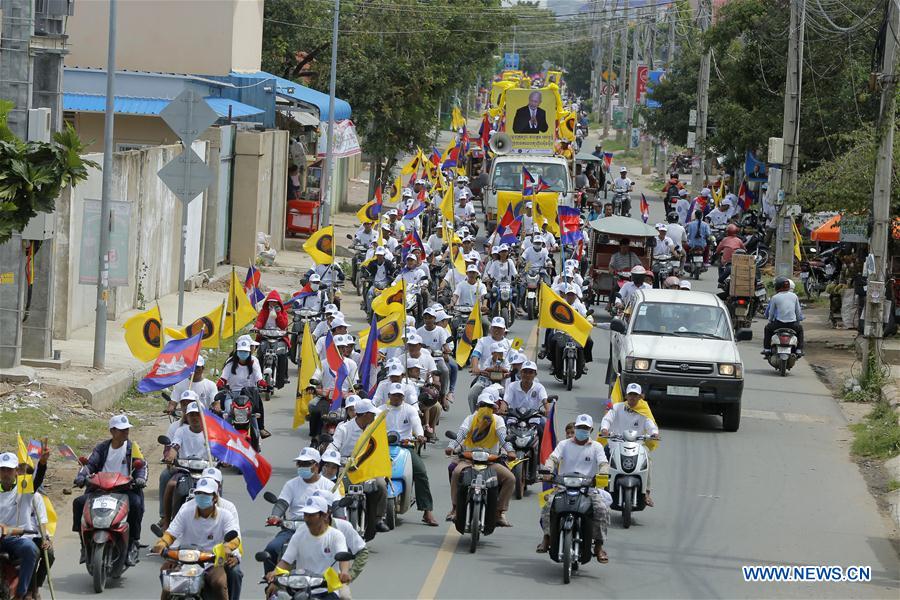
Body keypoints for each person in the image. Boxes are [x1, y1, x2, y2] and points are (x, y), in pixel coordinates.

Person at [72, 415, 146, 565]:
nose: (126, 432)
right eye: (122, 430)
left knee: (136, 504)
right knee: (78, 503)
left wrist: (140, 479)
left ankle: (132, 544)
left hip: (125, 490)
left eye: (127, 429)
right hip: (100, 489)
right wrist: (81, 477)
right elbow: (89, 465)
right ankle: (83, 545)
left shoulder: (133, 448)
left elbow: (142, 466)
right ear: (112, 431)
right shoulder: (101, 448)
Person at [536, 414, 610, 563]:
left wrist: (603, 473)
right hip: (563, 487)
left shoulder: (596, 446)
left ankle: (598, 546)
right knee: (548, 505)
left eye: (585, 428)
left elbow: (603, 463)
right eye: (579, 427)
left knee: (602, 509)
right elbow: (552, 459)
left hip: (587, 490)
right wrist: (548, 471)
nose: (582, 430)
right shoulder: (564, 444)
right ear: (575, 428)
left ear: (591, 429)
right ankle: (547, 538)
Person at [152, 477, 242, 600]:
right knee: (168, 581)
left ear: (215, 497)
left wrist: (226, 548)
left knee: (219, 583)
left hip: (211, 562)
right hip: (184, 561)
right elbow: (171, 534)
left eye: (206, 494)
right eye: (199, 493)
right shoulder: (185, 512)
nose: (201, 496)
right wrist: (162, 543)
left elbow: (235, 538)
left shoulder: (225, 515)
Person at [445, 394, 516, 527]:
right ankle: (455, 508)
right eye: (483, 405)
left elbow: (502, 436)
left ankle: (499, 512)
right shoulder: (470, 419)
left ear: (494, 409)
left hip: (491, 461)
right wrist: (451, 446)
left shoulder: (498, 420)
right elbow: (461, 433)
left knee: (510, 478)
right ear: (478, 406)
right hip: (469, 459)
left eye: (489, 406)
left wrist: (510, 451)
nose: (486, 409)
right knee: (455, 472)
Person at [261, 447, 333, 574]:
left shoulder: (329, 486)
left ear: (316, 465)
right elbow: (282, 503)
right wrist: (275, 516)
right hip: (292, 529)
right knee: (271, 549)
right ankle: (269, 581)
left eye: (306, 464)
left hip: (320, 528)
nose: (302, 466)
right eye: (300, 463)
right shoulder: (291, 484)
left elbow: (337, 506)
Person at [265, 496, 351, 597]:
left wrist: (344, 572)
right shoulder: (300, 532)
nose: (307, 519)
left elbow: (343, 559)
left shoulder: (336, 535)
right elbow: (286, 561)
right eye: (306, 514)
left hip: (327, 589)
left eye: (311, 515)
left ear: (325, 515)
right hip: (300, 588)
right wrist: (274, 573)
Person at [328, 399, 389, 537]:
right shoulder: (344, 428)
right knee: (331, 489)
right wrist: (332, 456)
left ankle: (378, 519)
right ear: (365, 414)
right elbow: (334, 446)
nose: (374, 417)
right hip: (346, 468)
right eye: (372, 414)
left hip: (367, 468)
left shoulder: (374, 428)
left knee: (381, 485)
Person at [381, 383, 439, 526]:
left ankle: (427, 510)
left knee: (421, 472)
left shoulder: (410, 409)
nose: (397, 398)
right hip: (383, 448)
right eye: (394, 395)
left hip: (405, 447)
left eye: (400, 395)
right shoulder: (380, 411)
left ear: (403, 397)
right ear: (389, 396)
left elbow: (416, 424)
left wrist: (420, 435)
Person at [600, 383, 660, 507]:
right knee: (602, 460)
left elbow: (651, 425)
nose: (632, 398)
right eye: (630, 395)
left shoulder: (644, 411)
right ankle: (601, 491)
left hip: (637, 445)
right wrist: (604, 429)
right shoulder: (617, 407)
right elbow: (607, 419)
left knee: (648, 460)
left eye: (635, 395)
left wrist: (654, 433)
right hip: (616, 444)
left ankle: (646, 492)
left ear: (640, 397)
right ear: (626, 395)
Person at [0, 452, 41, 600]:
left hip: (16, 538)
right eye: (2, 470)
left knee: (30, 549)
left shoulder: (24, 488)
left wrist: (42, 463)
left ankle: (21, 593)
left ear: (16, 471)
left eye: (9, 470)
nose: (5, 474)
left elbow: (37, 479)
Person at [216, 338, 269, 438]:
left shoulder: (254, 361)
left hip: (249, 395)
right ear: (237, 351)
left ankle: (259, 431)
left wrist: (263, 383)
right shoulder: (230, 363)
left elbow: (259, 377)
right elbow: (223, 377)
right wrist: (220, 383)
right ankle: (225, 436)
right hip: (232, 395)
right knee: (228, 412)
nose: (243, 354)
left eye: (245, 351)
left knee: (254, 413)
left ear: (249, 352)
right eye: (241, 351)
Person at [418, 307, 455, 409]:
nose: (428, 320)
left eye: (430, 317)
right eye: (426, 317)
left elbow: (444, 344)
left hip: (437, 359)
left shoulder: (440, 330)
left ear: (434, 319)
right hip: (423, 359)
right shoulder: (419, 331)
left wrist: (447, 349)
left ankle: (443, 395)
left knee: (445, 370)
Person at [254, 291, 290, 389]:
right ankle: (258, 378)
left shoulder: (282, 312)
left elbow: (283, 325)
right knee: (260, 354)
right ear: (267, 302)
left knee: (283, 355)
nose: (272, 304)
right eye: (270, 302)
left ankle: (282, 378)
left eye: (274, 302)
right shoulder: (264, 311)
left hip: (279, 337)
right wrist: (257, 327)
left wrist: (278, 313)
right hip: (266, 336)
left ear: (278, 302)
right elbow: (260, 321)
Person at [763, 276, 805, 355]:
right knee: (800, 330)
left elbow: (771, 313)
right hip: (792, 325)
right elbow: (798, 311)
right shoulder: (794, 296)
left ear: (777, 286)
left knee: (767, 328)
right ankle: (799, 349)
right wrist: (799, 319)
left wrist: (770, 320)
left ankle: (767, 349)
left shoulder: (775, 297)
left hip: (779, 324)